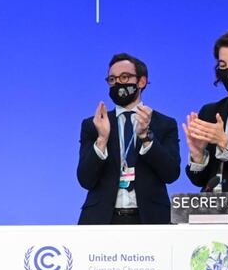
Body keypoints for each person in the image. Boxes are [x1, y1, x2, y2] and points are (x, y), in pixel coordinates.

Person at [77, 54, 180, 224]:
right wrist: (102, 139)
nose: (117, 83)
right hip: (101, 220)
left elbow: (171, 174)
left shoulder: (164, 124)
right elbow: (85, 179)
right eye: (112, 79)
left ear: (141, 82)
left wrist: (146, 138)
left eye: (124, 77)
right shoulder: (94, 124)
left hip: (151, 220)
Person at [185, 30, 228, 192]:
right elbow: (198, 180)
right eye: (223, 65)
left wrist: (226, 144)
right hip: (212, 212)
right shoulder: (210, 111)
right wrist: (198, 155)